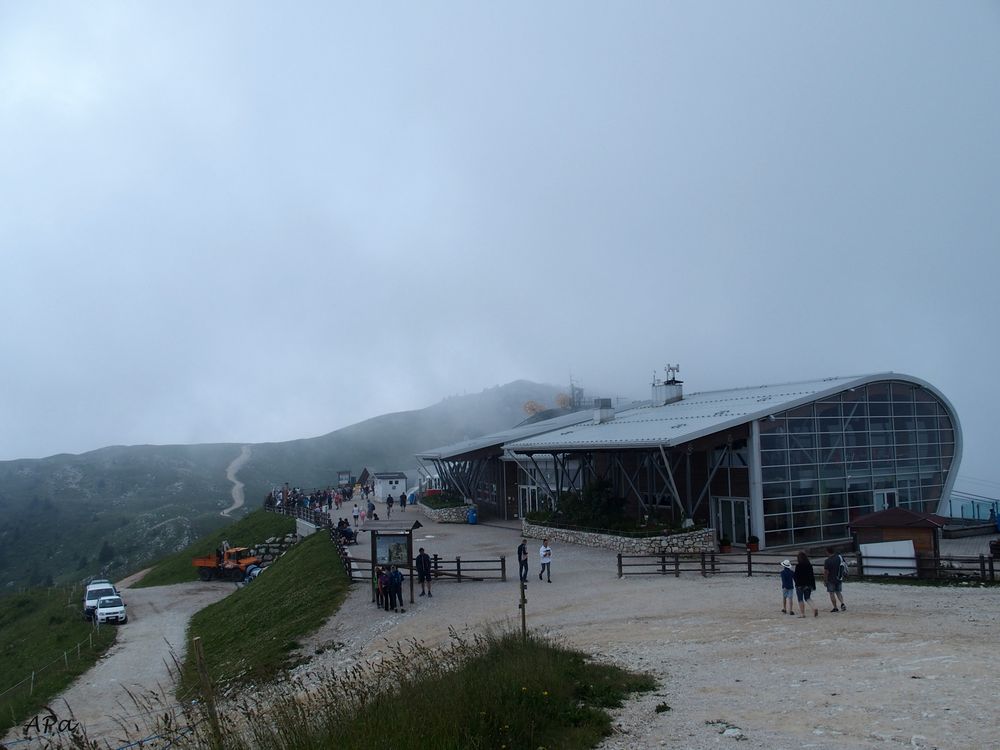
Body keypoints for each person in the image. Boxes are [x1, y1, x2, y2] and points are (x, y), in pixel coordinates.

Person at [793, 551, 819, 618]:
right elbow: (812, 576)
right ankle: (814, 608)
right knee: (807, 598)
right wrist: (813, 586)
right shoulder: (809, 566)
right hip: (808, 584)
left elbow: (796, 576)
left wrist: (796, 583)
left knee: (800, 599)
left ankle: (802, 614)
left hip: (800, 585)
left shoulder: (798, 566)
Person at [823, 547, 847, 612]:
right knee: (838, 592)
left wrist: (825, 581)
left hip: (831, 579)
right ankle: (842, 603)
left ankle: (835, 607)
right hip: (839, 578)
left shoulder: (827, 561)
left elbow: (826, 572)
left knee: (831, 593)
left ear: (828, 552)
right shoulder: (839, 557)